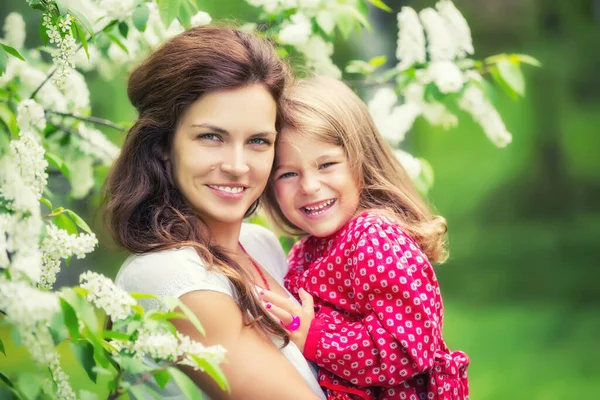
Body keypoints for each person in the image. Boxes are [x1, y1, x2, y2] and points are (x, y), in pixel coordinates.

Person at [104, 25, 326, 400]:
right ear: (162, 145)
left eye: (258, 141)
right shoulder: (173, 277)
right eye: (212, 137)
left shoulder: (261, 244)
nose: (238, 166)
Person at [260, 76, 470, 400]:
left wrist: (314, 339)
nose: (310, 186)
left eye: (326, 164)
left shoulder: (373, 237)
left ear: (361, 160)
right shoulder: (307, 250)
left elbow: (408, 348)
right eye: (288, 173)